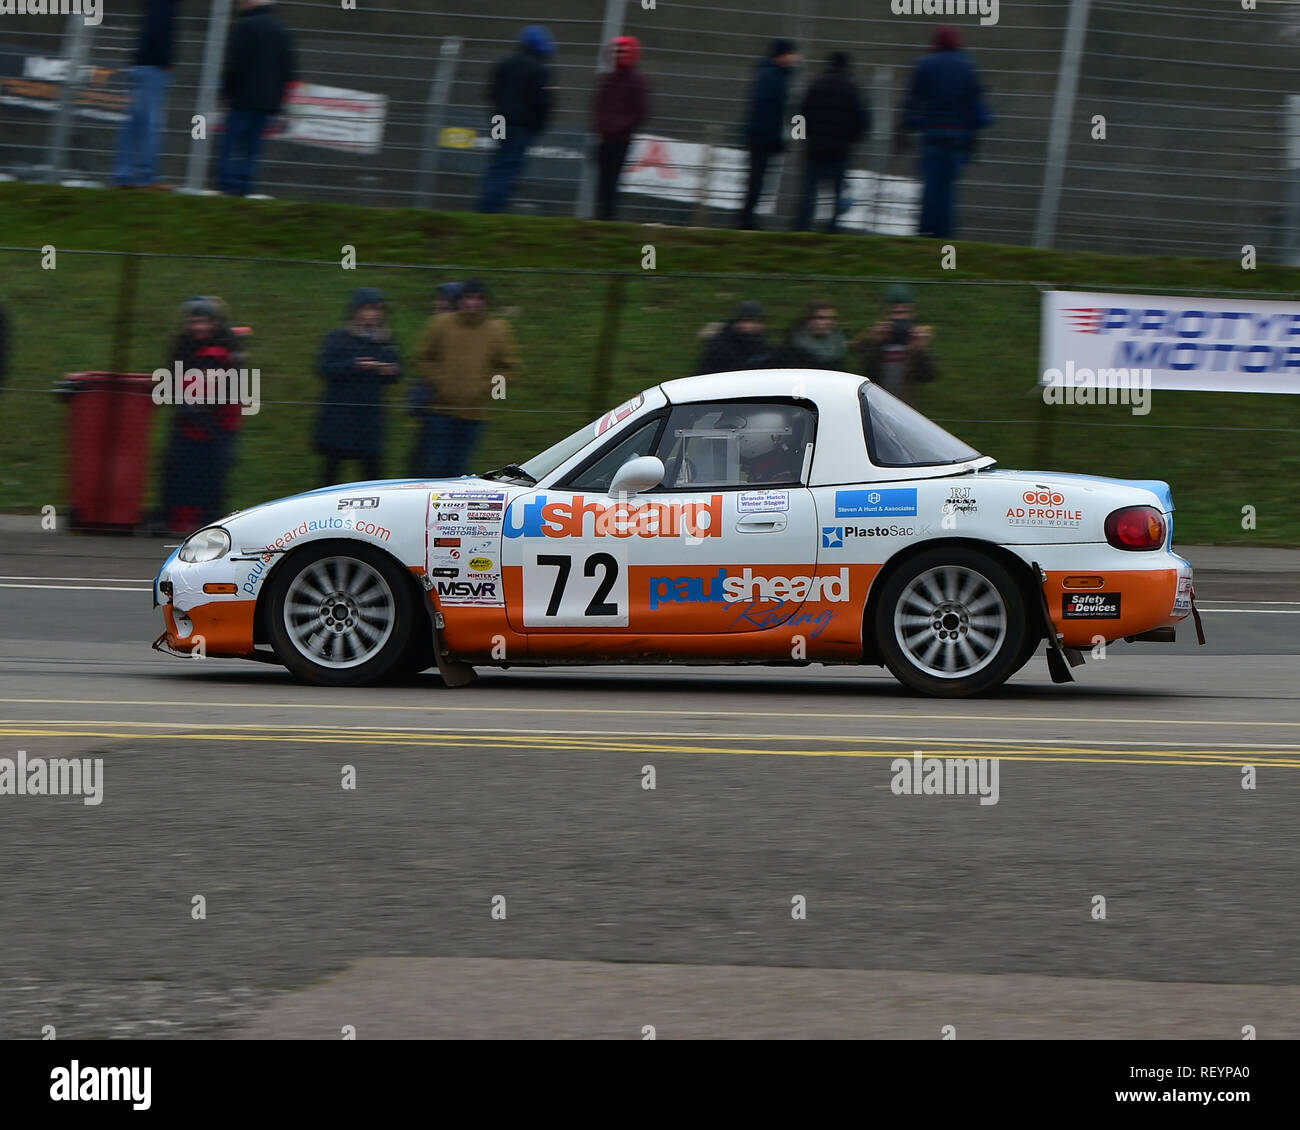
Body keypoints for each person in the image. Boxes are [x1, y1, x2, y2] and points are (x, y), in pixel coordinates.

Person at [410, 279, 518, 477]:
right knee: (435, 466)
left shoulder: (497, 330)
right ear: (460, 300)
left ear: (485, 302)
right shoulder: (441, 324)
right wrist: (440, 382)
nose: (472, 303)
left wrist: (487, 389)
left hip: (474, 414)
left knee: (458, 468)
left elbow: (507, 368)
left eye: (478, 299)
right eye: (468, 298)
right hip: (440, 410)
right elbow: (423, 358)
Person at [158, 297, 246, 535]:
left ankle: (212, 524)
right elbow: (171, 379)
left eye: (204, 321)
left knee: (214, 473)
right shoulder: (183, 345)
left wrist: (202, 411)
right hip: (190, 420)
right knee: (176, 468)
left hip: (219, 423)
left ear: (214, 323)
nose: (199, 327)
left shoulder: (225, 347)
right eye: (194, 321)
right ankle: (176, 520)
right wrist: (185, 403)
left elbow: (230, 386)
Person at [902, 25, 990, 238]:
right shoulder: (968, 66)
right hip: (957, 136)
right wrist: (973, 135)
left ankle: (925, 234)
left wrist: (911, 125)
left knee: (930, 188)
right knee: (949, 190)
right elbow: (975, 106)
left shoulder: (925, 64)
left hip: (932, 133)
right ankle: (945, 237)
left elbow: (912, 101)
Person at [314, 288, 401, 486]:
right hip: (340, 415)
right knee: (331, 474)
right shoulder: (339, 337)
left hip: (370, 417)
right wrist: (355, 365)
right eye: (368, 309)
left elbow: (396, 371)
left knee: (373, 475)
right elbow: (324, 368)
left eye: (377, 309)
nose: (373, 314)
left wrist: (391, 370)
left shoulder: (386, 340)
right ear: (356, 311)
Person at [217, 0, 295, 197]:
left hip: (242, 98)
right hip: (267, 102)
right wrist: (278, 101)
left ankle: (227, 184)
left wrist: (226, 92)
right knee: (253, 148)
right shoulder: (280, 29)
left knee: (231, 142)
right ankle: (245, 186)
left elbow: (234, 64)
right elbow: (288, 69)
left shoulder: (244, 26)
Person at [478, 26, 556, 214]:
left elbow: (491, 93)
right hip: (522, 125)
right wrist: (538, 125)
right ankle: (492, 209)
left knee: (498, 162)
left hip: (499, 120)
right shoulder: (539, 69)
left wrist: (495, 115)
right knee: (510, 166)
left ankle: (488, 204)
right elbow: (543, 102)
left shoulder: (504, 63)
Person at [794, 52, 868, 234]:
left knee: (809, 194)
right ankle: (832, 231)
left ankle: (802, 229)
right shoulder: (852, 89)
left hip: (814, 149)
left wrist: (803, 138)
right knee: (837, 195)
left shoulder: (816, 85)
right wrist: (850, 140)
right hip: (840, 151)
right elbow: (863, 121)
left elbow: (800, 115)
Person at [113, 0, 181, 190]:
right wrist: (164, 60)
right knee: (150, 124)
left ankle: (124, 175)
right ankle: (145, 177)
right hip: (153, 67)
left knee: (134, 123)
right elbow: (157, 28)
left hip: (142, 64)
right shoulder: (165, 4)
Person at [738, 38, 800, 231]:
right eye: (792, 53)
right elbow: (765, 110)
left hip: (763, 135)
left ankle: (747, 218)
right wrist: (772, 137)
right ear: (782, 55)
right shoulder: (771, 76)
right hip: (761, 137)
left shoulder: (776, 74)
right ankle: (745, 219)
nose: (796, 57)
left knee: (758, 179)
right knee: (756, 179)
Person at [591, 36, 650, 221]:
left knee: (611, 179)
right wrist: (600, 125)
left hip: (620, 139)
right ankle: (603, 214)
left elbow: (640, 113)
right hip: (606, 137)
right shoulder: (610, 78)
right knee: (603, 179)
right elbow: (600, 104)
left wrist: (618, 126)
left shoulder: (635, 81)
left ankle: (608, 215)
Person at [855, 284, 936, 403]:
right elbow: (866, 374)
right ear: (887, 313)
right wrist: (876, 343)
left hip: (905, 406)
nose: (900, 318)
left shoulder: (916, 339)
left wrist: (920, 350)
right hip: (877, 404)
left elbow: (928, 375)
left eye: (904, 312)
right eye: (895, 312)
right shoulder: (877, 339)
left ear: (912, 313)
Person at [695, 301, 770, 374]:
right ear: (735, 323)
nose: (749, 326)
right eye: (745, 321)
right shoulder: (720, 347)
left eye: (755, 321)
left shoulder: (762, 346)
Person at [776, 301, 847, 369]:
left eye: (832, 318)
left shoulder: (837, 346)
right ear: (807, 320)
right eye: (821, 318)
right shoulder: (790, 350)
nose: (828, 322)